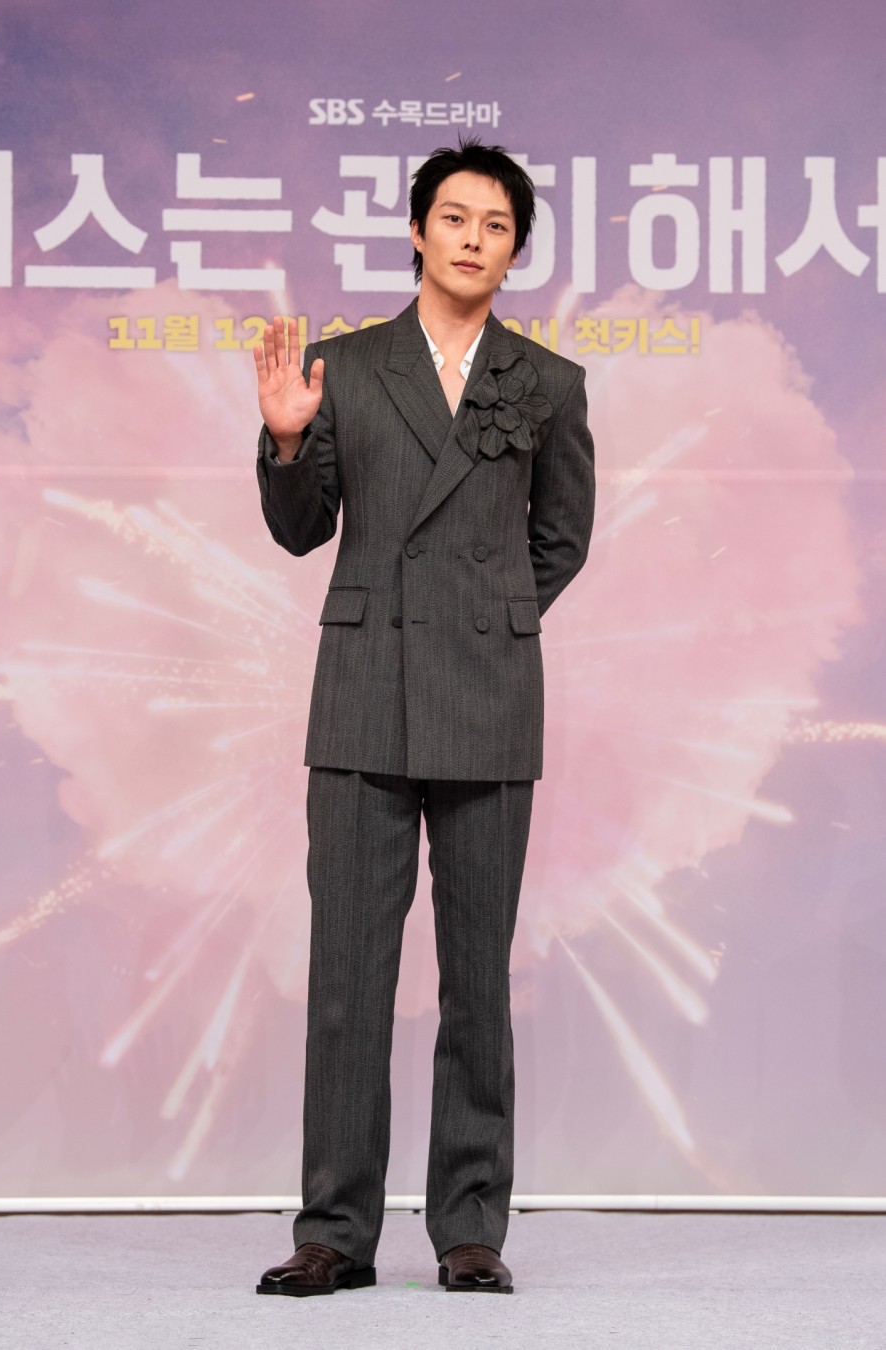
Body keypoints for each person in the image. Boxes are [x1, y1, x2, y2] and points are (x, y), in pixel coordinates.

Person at [252, 138, 595, 1297]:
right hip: (362, 693)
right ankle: (334, 1233)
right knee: (348, 974)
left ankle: (469, 1229)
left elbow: (560, 539)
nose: (472, 239)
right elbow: (301, 530)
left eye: (496, 226)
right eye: (454, 218)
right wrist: (288, 439)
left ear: (515, 249)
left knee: (478, 979)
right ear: (416, 231)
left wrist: (484, 619)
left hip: (489, 699)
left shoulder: (548, 384)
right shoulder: (345, 367)